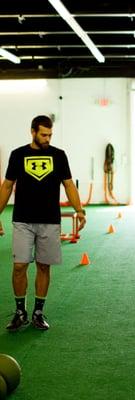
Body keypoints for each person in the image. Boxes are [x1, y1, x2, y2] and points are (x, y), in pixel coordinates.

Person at [0, 115, 86, 330]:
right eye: (43, 134)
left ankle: (38, 312)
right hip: (22, 220)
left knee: (43, 266)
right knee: (19, 266)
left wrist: (80, 210)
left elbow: (68, 185)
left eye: (50, 135)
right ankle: (20, 311)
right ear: (33, 132)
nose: (47, 138)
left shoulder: (58, 155)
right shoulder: (18, 155)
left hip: (49, 220)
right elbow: (7, 186)